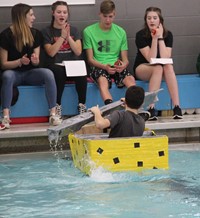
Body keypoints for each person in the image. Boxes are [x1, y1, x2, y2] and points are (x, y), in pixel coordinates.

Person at [0, 3, 62, 129]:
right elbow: (3, 64)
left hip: (30, 74)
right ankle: (5, 117)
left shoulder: (35, 34)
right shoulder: (5, 35)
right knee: (7, 75)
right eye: (31, 15)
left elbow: (37, 62)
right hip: (14, 74)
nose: (34, 18)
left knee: (48, 73)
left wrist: (34, 60)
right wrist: (19, 62)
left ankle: (53, 114)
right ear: (22, 17)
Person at [133, 6, 182, 120]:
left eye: (155, 18)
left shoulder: (168, 35)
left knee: (168, 66)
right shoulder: (140, 35)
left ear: (160, 20)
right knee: (158, 68)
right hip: (143, 67)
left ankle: (177, 107)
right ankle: (151, 108)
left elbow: (166, 57)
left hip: (162, 68)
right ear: (145, 20)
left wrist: (160, 37)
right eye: (149, 18)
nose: (151, 20)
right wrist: (154, 39)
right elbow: (151, 58)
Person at [83, 0, 136, 105]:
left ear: (114, 15)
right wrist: (105, 67)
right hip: (99, 66)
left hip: (115, 66)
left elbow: (125, 59)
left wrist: (123, 65)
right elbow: (90, 60)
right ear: (100, 15)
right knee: (103, 81)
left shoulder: (121, 32)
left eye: (110, 16)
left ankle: (134, 107)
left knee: (130, 80)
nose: (108, 20)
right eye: (105, 16)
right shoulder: (88, 31)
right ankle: (110, 108)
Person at [42, 1, 87, 116]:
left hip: (72, 64)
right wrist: (62, 37)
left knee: (81, 70)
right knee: (59, 71)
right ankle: (57, 106)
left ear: (68, 14)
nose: (62, 15)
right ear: (53, 13)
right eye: (59, 12)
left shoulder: (75, 30)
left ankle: (82, 105)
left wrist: (68, 36)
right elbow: (51, 53)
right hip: (55, 64)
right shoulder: (47, 31)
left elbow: (78, 51)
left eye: (64, 12)